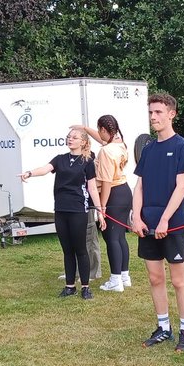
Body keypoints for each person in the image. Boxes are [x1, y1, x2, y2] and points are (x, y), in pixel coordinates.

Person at [132, 92, 184, 352]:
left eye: (158, 112)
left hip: (173, 223)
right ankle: (163, 328)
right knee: (155, 277)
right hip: (147, 224)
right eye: (150, 112)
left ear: (171, 114)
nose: (153, 117)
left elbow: (181, 187)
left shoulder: (182, 146)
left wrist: (166, 220)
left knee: (178, 280)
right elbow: (139, 186)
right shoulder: (148, 149)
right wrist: (136, 217)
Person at [20, 127, 105, 300]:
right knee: (67, 250)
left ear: (83, 142)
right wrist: (29, 173)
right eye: (68, 137)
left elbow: (92, 188)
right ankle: (70, 286)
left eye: (74, 137)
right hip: (61, 210)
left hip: (78, 210)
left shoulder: (87, 161)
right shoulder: (60, 159)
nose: (70, 139)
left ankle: (86, 287)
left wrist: (100, 211)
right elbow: (45, 169)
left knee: (81, 249)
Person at [72, 115, 133, 292]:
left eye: (99, 130)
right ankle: (124, 276)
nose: (98, 134)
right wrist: (85, 128)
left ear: (105, 130)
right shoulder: (120, 143)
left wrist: (102, 207)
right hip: (124, 191)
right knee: (120, 237)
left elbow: (105, 181)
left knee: (111, 237)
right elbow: (102, 139)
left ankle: (115, 280)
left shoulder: (106, 152)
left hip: (112, 194)